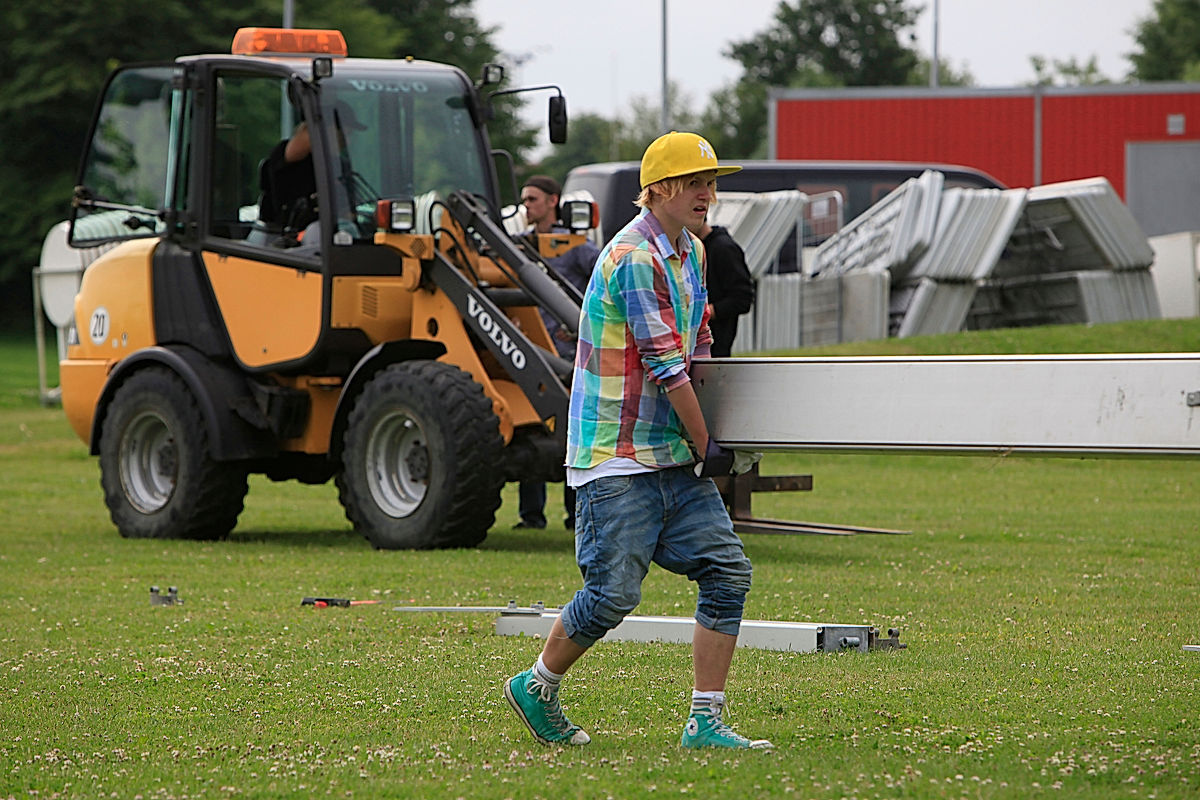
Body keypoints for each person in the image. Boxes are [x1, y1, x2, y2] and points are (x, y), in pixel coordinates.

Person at [503, 132, 773, 751]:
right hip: (618, 456)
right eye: (696, 182)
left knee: (728, 573)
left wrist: (711, 427)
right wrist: (708, 443)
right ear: (660, 191)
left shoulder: (693, 253)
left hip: (671, 452)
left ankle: (705, 722)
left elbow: (697, 341)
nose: (709, 193)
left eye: (712, 182)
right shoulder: (634, 257)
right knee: (613, 594)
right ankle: (537, 684)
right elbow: (663, 364)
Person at [513, 175, 599, 531]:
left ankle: (571, 513)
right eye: (524, 199)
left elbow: (603, 283)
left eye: (532, 199)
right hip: (533, 353)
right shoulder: (517, 246)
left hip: (568, 357)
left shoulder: (576, 246)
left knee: (570, 432)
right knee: (531, 425)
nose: (527, 206)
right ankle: (530, 516)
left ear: (553, 201)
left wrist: (583, 325)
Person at [687, 216, 755, 357]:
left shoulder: (723, 248)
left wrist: (701, 313)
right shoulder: (690, 248)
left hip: (715, 348)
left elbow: (743, 299)